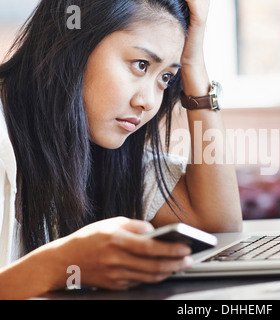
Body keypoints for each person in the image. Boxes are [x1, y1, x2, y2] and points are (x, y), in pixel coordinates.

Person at [0, 0, 242, 299]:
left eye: (166, 78)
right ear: (73, 42)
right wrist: (59, 265)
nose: (149, 102)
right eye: (141, 65)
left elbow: (219, 227)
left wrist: (195, 66)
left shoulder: (106, 148)